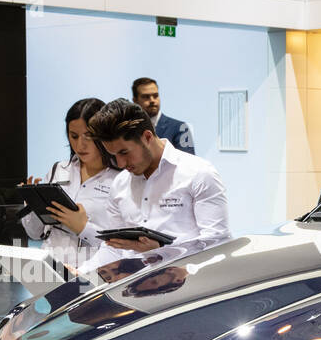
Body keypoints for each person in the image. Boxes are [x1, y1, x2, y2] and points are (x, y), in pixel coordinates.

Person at [82, 98, 229, 271]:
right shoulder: (120, 184)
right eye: (114, 155)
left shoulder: (199, 173)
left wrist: (162, 250)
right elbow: (114, 248)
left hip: (186, 290)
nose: (120, 163)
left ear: (147, 137)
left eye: (124, 152)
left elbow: (217, 246)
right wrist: (81, 274)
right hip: (131, 291)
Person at [19, 97, 119, 271]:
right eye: (74, 136)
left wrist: (83, 228)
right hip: (49, 271)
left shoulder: (121, 179)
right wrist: (33, 205)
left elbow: (124, 247)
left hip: (95, 275)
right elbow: (34, 233)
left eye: (89, 136)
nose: (80, 144)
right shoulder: (58, 170)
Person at [132, 77, 195, 154]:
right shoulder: (128, 130)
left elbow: (188, 161)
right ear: (135, 101)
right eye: (146, 97)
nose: (152, 100)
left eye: (155, 96)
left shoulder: (181, 128)